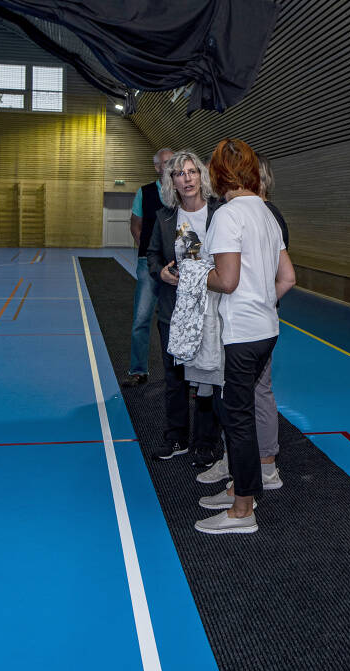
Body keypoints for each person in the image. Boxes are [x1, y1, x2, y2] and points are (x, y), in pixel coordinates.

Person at [195, 138, 295, 535]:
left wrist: (195, 274)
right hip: (267, 329)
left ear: (218, 175)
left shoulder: (228, 215)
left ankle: (242, 511)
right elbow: (287, 277)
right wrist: (263, 302)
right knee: (243, 412)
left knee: (236, 418)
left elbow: (227, 280)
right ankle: (241, 488)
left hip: (242, 333)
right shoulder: (267, 214)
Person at [146, 151, 223, 460]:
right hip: (174, 308)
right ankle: (176, 438)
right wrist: (161, 273)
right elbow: (152, 254)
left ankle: (206, 442)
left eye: (192, 171)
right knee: (174, 376)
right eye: (179, 174)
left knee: (208, 377)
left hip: (212, 308)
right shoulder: (165, 217)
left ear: (201, 176)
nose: (187, 178)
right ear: (172, 181)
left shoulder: (219, 213)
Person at [121, 147, 173, 388]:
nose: (170, 166)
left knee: (176, 321)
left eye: (173, 161)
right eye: (166, 162)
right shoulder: (145, 192)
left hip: (175, 266)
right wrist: (147, 250)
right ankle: (138, 370)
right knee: (142, 318)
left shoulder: (182, 192)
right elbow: (135, 225)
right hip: (148, 264)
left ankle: (180, 374)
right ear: (157, 167)